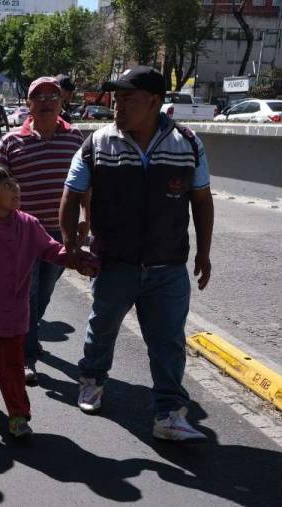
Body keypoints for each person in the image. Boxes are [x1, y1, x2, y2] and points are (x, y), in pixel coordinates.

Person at [60, 66, 215, 441]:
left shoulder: (187, 143)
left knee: (168, 342)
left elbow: (202, 200)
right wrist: (70, 246)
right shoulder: (97, 143)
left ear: (155, 102)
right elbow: (71, 195)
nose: (118, 105)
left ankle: (168, 413)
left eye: (128, 98)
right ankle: (92, 381)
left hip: (168, 266)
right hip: (115, 263)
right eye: (117, 97)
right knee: (103, 328)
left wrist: (204, 253)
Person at [0, 167, 96, 439]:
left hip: (14, 313)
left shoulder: (28, 224)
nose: (15, 188)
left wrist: (80, 259)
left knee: (13, 367)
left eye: (14, 183)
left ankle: (18, 415)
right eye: (6, 186)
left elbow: (51, 249)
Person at [0, 77, 86, 383]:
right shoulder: (11, 141)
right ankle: (25, 355)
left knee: (44, 292)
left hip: (60, 234)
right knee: (27, 296)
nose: (46, 102)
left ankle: (28, 337)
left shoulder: (75, 139)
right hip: (22, 234)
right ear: (29, 104)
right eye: (39, 97)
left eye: (52, 97)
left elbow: (88, 185)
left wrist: (87, 220)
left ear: (62, 103)